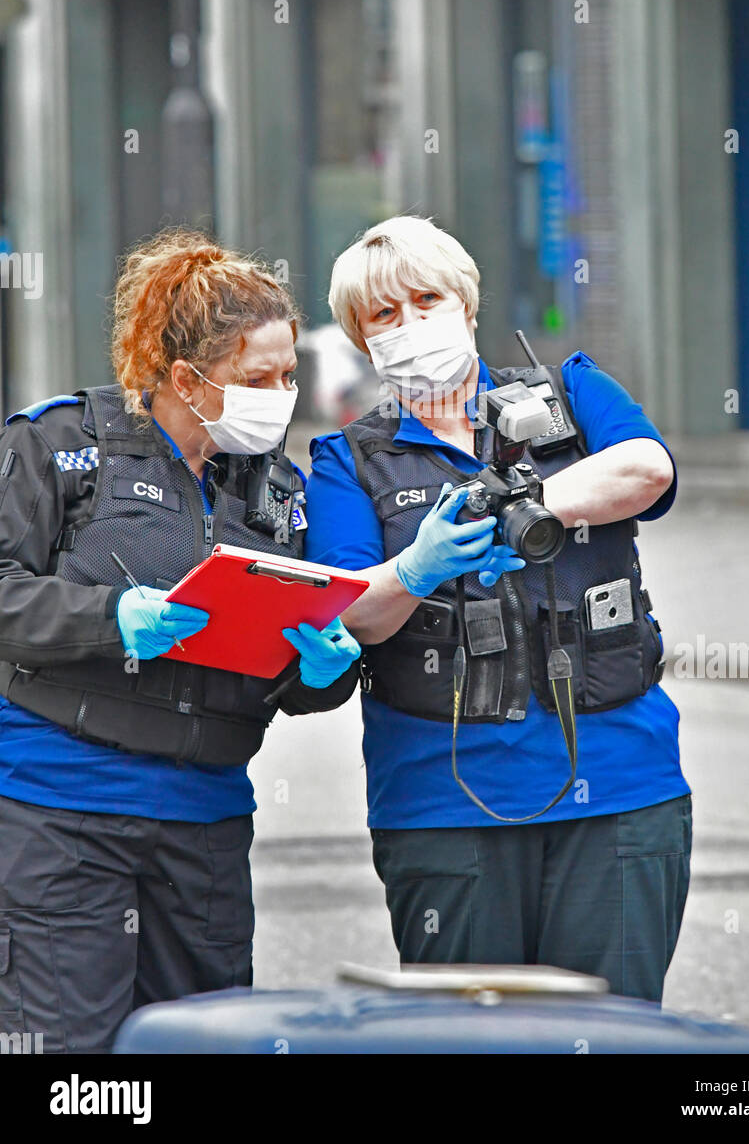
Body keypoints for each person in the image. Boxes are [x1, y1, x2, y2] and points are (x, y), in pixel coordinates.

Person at [303, 215, 692, 1003]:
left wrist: (519, 503)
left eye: (426, 299)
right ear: (361, 338)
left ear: (467, 305)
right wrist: (416, 567)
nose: (411, 324)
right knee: (468, 1040)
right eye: (384, 315)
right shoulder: (347, 458)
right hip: (446, 804)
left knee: (614, 1031)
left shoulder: (571, 393)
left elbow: (647, 470)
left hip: (619, 786)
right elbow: (351, 614)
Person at [0, 228, 361, 1053]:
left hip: (205, 824)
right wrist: (106, 619)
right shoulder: (57, 445)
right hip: (62, 812)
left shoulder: (277, 490)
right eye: (256, 378)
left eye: (289, 373)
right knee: (69, 1060)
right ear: (185, 380)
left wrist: (322, 673)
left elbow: (281, 673)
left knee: (201, 1043)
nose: (281, 393)